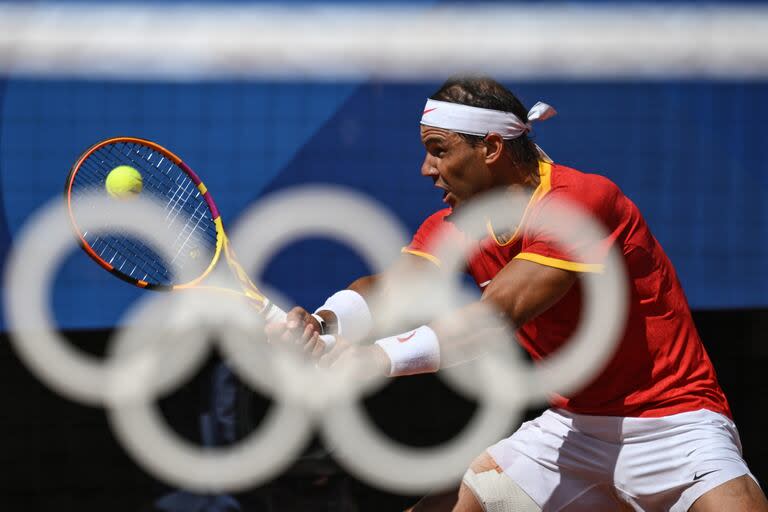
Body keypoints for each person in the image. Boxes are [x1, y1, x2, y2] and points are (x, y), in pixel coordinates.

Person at [266, 76, 768, 511]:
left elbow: (495, 316)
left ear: (490, 148)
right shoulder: (456, 223)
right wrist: (326, 321)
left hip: (676, 420)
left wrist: (377, 359)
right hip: (573, 429)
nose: (426, 168)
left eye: (439, 149)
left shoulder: (580, 202)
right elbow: (393, 287)